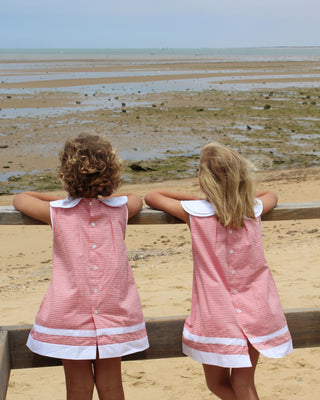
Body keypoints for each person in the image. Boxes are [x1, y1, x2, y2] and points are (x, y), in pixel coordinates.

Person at [144, 142, 293, 400]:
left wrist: (204, 201)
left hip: (218, 316)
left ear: (204, 181)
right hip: (257, 310)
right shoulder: (252, 210)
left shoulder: (196, 214)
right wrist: (231, 197)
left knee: (217, 384)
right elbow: (273, 193)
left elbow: (152, 196)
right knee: (244, 385)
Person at [13, 133, 149, 400]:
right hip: (113, 310)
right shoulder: (120, 209)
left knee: (77, 388)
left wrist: (68, 198)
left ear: (66, 171)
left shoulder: (57, 212)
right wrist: (98, 194)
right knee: (111, 386)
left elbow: (21, 198)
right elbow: (136, 197)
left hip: (69, 312)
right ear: (111, 170)